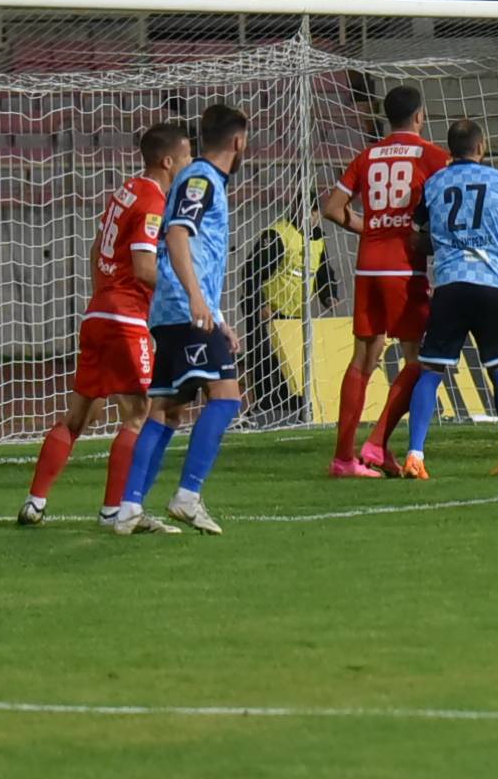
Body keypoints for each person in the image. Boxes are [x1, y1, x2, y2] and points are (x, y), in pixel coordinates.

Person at [20, 122, 193, 528]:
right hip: (124, 319)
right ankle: (115, 511)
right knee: (139, 412)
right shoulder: (152, 202)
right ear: (168, 162)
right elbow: (144, 267)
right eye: (186, 157)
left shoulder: (126, 190)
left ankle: (34, 502)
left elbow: (98, 246)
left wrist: (105, 290)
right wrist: (187, 290)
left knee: (78, 417)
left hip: (98, 314)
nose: (189, 164)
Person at [111, 101, 249, 536]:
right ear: (239, 142)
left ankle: (129, 507)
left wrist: (216, 314)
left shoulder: (200, 179)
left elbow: (196, 256)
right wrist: (196, 300)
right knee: (226, 398)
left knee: (166, 411)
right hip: (183, 308)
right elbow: (176, 235)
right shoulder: (202, 179)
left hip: (175, 308)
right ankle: (187, 495)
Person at [392, 119, 498, 480]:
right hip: (493, 287)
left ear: (450, 149)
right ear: (481, 148)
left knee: (431, 370)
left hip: (451, 286)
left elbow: (415, 238)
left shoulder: (433, 184)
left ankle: (415, 455)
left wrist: (437, 247)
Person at [323, 85, 449, 478]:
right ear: (419, 116)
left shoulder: (368, 154)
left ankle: (343, 459)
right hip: (403, 266)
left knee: (363, 356)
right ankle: (376, 443)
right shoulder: (432, 156)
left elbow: (331, 208)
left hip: (368, 265)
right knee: (418, 359)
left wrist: (369, 228)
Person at [235, 203, 338, 426]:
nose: (309, 217)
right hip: (267, 311)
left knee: (293, 365)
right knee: (264, 360)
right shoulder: (278, 235)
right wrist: (259, 303)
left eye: (313, 212)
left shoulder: (317, 239)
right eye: (304, 211)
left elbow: (323, 270)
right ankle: (264, 409)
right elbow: (250, 271)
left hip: (295, 315)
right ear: (295, 211)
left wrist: (329, 293)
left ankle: (292, 407)